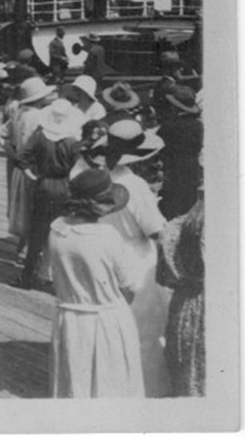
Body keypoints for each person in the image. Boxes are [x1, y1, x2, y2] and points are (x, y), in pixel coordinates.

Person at [88, 119, 171, 398]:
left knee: (109, 331)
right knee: (144, 336)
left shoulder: (97, 178)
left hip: (102, 258)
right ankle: (145, 392)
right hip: (136, 260)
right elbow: (155, 229)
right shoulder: (134, 185)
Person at [49, 167, 144, 398]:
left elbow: (52, 275)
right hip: (105, 319)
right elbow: (130, 285)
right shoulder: (106, 235)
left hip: (69, 318)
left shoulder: (56, 228)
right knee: (110, 383)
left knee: (75, 381)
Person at [13, 98, 82, 289]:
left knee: (37, 232)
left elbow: (20, 157)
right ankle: (56, 277)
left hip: (43, 184)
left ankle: (27, 277)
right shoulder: (73, 141)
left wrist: (31, 174)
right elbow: (80, 168)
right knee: (63, 231)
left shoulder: (40, 136)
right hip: (65, 185)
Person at [156, 181, 205, 396]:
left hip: (185, 305)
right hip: (210, 306)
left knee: (186, 376)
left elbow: (164, 277)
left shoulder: (176, 226)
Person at [0, 77, 55, 258]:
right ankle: (30, 249)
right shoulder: (41, 116)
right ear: (39, 98)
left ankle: (23, 244)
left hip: (19, 167)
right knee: (35, 206)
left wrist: (12, 153)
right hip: (35, 166)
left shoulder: (18, 113)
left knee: (22, 205)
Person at [157, 85, 203, 220]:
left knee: (171, 206)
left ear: (175, 107)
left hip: (172, 170)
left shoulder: (169, 126)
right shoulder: (198, 125)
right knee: (188, 204)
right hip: (193, 169)